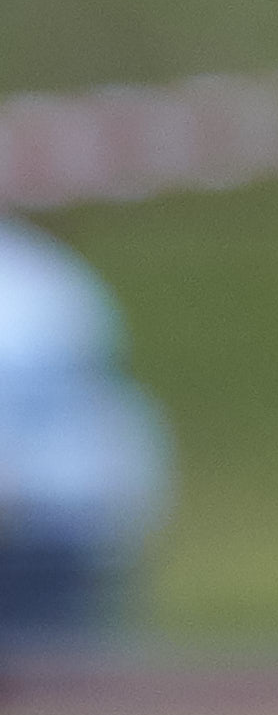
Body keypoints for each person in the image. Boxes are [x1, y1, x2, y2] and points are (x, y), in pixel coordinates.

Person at [0, 217, 172, 658]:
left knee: (52, 673)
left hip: (49, 519)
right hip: (74, 508)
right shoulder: (42, 272)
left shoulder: (31, 274)